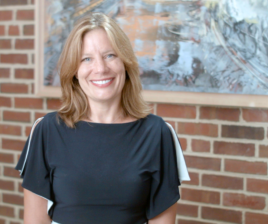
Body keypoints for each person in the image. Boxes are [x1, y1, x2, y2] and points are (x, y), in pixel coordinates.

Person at [15, 12, 190, 224]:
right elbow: (35, 221)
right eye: (86, 59)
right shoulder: (47, 130)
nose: (100, 68)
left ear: (125, 63)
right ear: (74, 71)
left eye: (110, 55)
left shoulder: (157, 133)